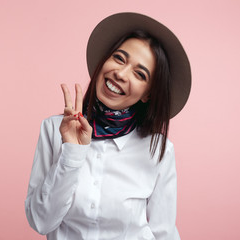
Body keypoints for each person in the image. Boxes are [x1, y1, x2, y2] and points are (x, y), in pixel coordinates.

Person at [25, 12, 191, 240]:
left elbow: (164, 233)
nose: (121, 74)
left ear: (147, 95)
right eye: (119, 59)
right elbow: (41, 222)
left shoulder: (159, 149)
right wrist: (72, 154)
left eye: (139, 74)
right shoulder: (54, 130)